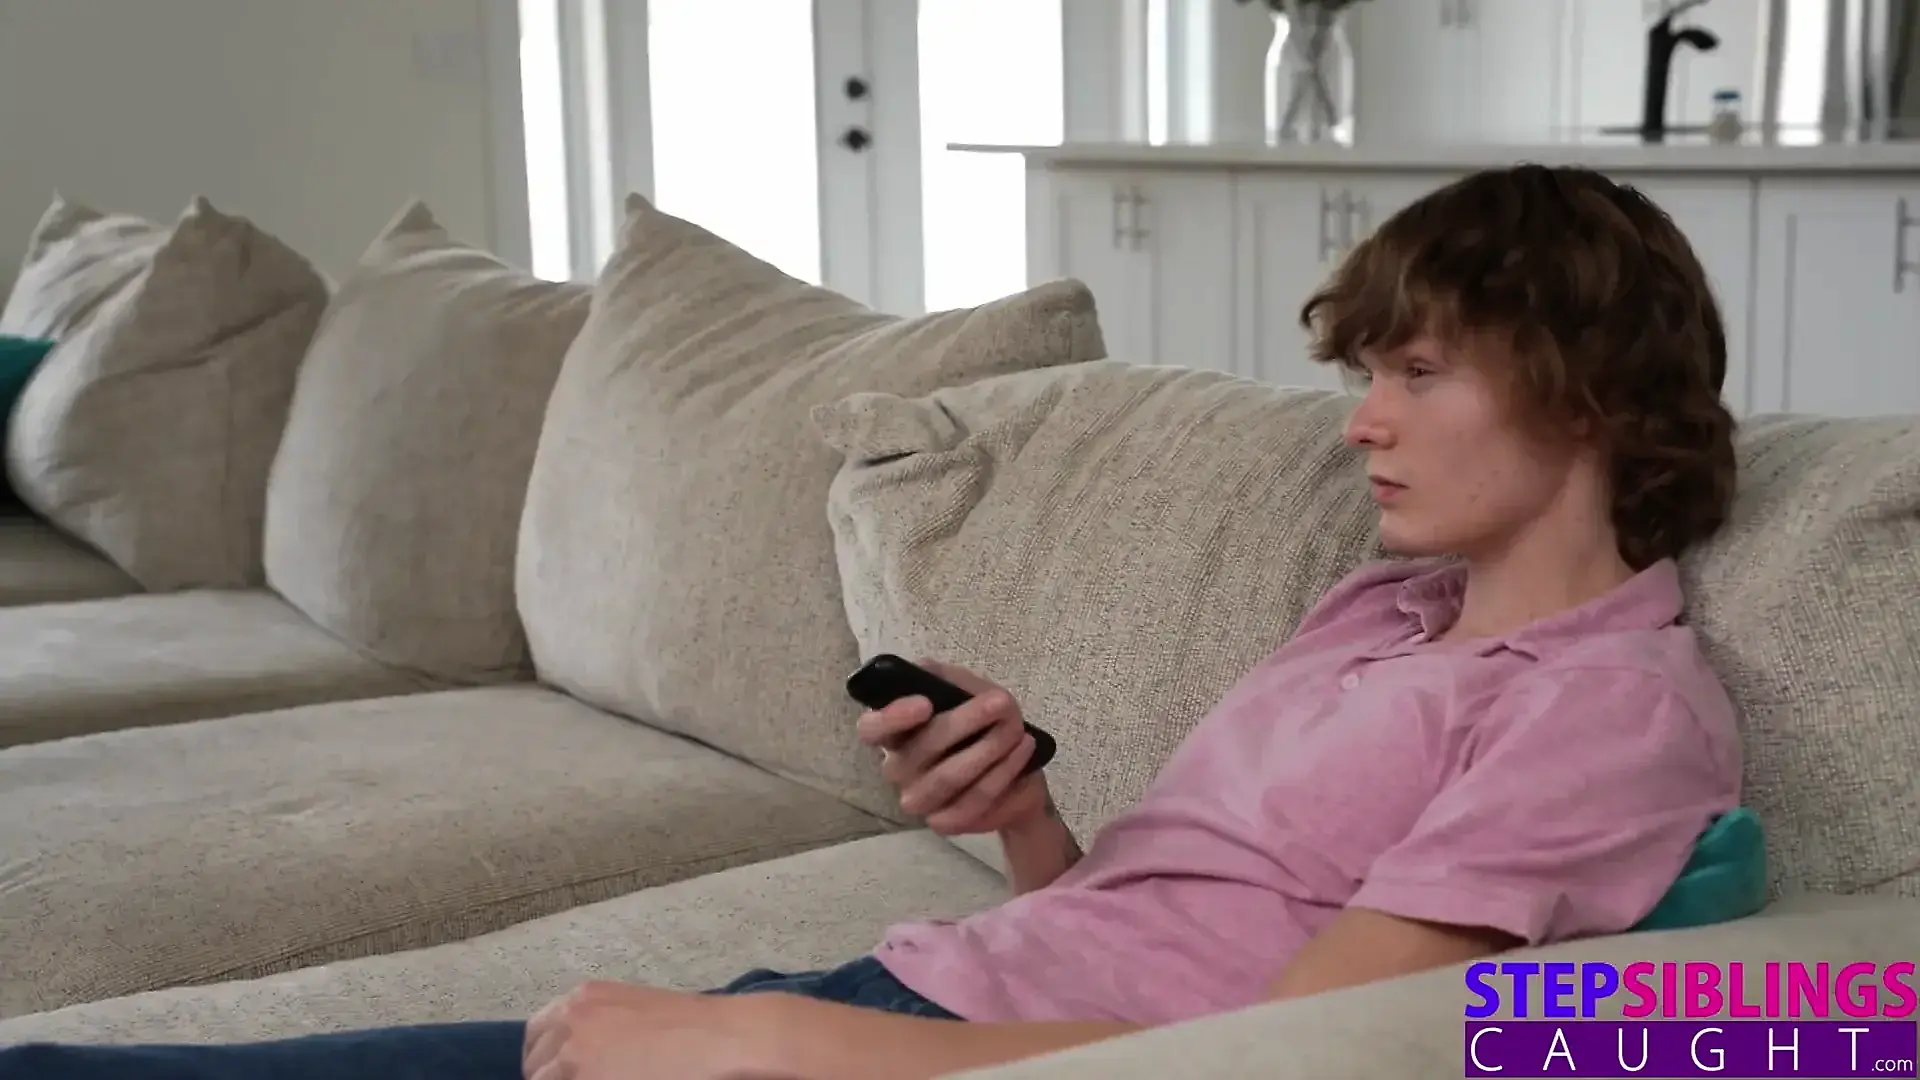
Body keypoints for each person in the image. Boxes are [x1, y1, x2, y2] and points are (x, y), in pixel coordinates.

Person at [0, 163, 1744, 1080]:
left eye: (1415, 373)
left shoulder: (1610, 708)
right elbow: (1155, 932)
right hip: (908, 1003)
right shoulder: (1384, 610)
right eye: (1364, 374)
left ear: (1588, 392)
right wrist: (1028, 818)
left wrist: (774, 1045)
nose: (1359, 421)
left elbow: (1289, 1060)